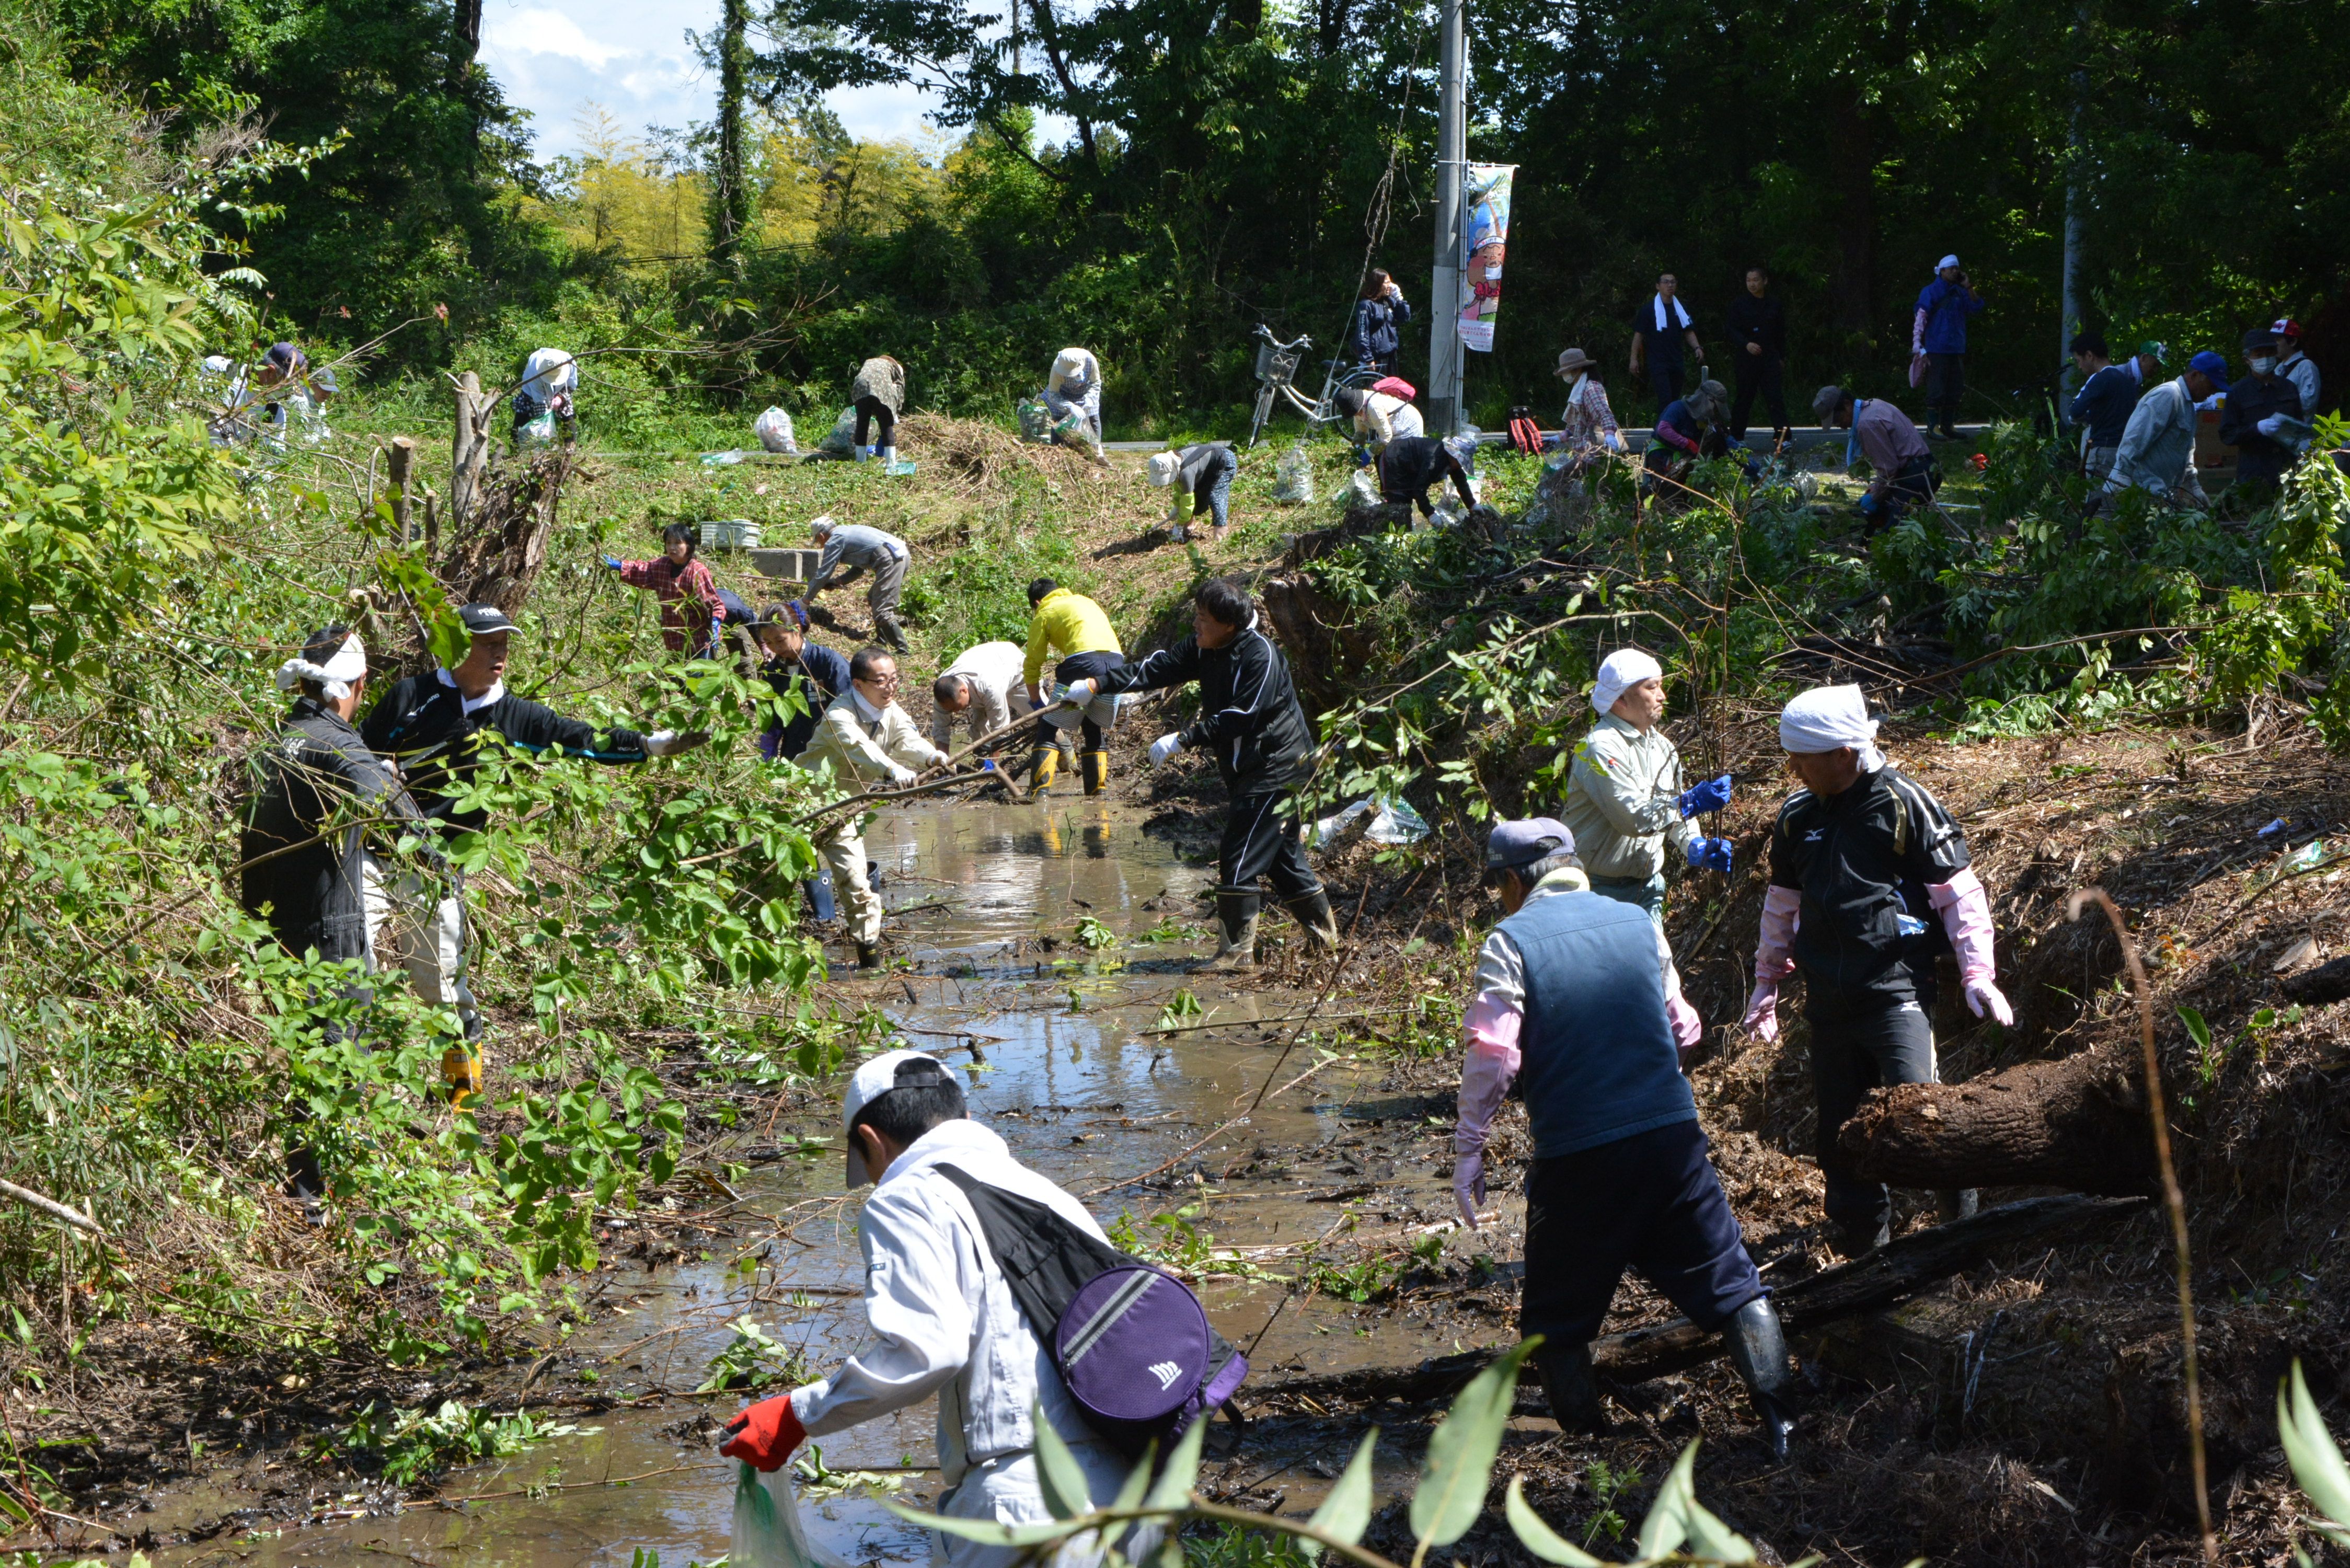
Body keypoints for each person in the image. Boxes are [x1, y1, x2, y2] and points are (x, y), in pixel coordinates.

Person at [718, 1051, 1159, 1567]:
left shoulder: (905, 1196)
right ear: (966, 1120)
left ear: (869, 1140)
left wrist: (796, 1415)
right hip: (1130, 1495)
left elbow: (928, 1350)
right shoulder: (1049, 1195)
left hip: (1026, 1505)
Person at [1451, 819, 1794, 1457]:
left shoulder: (1509, 940)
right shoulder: (1638, 921)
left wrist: (1469, 1144)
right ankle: (1782, 1426)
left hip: (1577, 1152)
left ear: (1510, 881)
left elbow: (1494, 1054)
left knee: (1554, 1324)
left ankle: (1593, 1452)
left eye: (1497, 886)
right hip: (1671, 1137)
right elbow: (1684, 1026)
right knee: (1731, 1285)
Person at [360, 604, 702, 1097]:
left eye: (504, 643)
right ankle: (357, 1084)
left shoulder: (515, 716)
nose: (499, 653)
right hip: (376, 852)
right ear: (460, 645)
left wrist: (649, 745)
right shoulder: (411, 696)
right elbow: (358, 752)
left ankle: (460, 1094)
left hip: (438, 865)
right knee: (354, 957)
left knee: (443, 981)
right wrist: (378, 770)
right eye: (487, 643)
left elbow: (580, 739)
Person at [1741, 686, 2011, 1256]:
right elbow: (1780, 905)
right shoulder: (1796, 817)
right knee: (1840, 1136)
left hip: (1895, 992)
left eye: (1801, 756)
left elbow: (1957, 895)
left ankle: (1955, 1241)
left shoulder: (1902, 803)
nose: (1790, 767)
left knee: (1925, 1118)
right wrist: (1765, 985)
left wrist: (1976, 974)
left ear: (1843, 752)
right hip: (1828, 1004)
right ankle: (1863, 1252)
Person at [241, 625, 437, 1196]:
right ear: (356, 684)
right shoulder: (339, 745)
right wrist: (439, 864)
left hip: (274, 925)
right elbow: (397, 813)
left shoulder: (274, 743)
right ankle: (315, 1196)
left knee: (308, 1055)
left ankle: (319, 1184)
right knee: (338, 1057)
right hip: (331, 928)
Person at [1086, 578, 1336, 968]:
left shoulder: (1259, 657)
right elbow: (1159, 668)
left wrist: (1183, 739)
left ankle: (1236, 956)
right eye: (1197, 616)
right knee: (1283, 861)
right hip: (1251, 771)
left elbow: (1241, 716)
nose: (1196, 626)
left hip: (1277, 768)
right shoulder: (1207, 647)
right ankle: (1326, 944)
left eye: (1204, 619)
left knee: (1238, 858)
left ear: (1229, 625)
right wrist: (1096, 684)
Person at [793, 647, 950, 968]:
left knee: (858, 886)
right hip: (803, 807)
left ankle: (869, 965)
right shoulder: (839, 714)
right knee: (779, 880)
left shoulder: (891, 711)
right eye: (881, 681)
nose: (890, 687)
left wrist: (933, 756)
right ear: (859, 685)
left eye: (894, 680)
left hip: (845, 813)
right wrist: (893, 771)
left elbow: (908, 739)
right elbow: (859, 748)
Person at [1562, 649, 1730, 940]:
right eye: (1652, 687)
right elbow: (1634, 818)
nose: (1662, 696)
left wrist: (1694, 843)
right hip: (1596, 891)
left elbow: (1673, 810)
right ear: (1620, 700)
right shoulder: (1599, 749)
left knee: (1653, 972)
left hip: (1648, 887)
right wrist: (1690, 802)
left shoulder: (1662, 747)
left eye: (1660, 686)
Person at [1020, 580, 1125, 796]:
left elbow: (1033, 663)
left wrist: (1037, 704)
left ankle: (1038, 797)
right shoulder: (1086, 601)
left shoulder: (1045, 611)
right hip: (1116, 663)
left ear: (1038, 602)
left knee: (1048, 730)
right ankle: (1097, 793)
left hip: (1082, 661)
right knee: (1092, 723)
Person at [2105, 351, 2229, 509]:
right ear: (2196, 375)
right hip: (2140, 489)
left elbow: (2186, 451)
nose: (2213, 392)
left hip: (2160, 491)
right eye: (2212, 385)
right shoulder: (2169, 395)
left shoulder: (2189, 406)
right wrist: (2122, 476)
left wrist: (2194, 487)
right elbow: (2136, 437)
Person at [1813, 385, 1935, 531]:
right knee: (1877, 520)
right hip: (1920, 470)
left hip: (1917, 476)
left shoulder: (1867, 425)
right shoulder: (1874, 405)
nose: (1840, 426)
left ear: (1847, 404)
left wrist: (1875, 496)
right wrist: (1876, 489)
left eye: (1837, 419)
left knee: (1893, 533)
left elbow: (1889, 469)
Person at [603, 523, 730, 656]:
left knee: (698, 677)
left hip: (699, 643)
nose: (672, 547)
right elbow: (642, 569)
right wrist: (619, 565)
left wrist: (715, 626)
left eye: (677, 543)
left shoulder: (697, 572)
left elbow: (715, 605)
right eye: (669, 543)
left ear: (688, 546)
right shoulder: (662, 566)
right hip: (673, 642)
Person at [752, 601, 853, 762]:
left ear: (796, 630)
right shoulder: (773, 673)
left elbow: (850, 709)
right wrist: (767, 759)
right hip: (795, 758)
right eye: (768, 643)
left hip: (833, 754)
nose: (776, 649)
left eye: (780, 640)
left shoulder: (828, 663)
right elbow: (772, 723)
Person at [2218, 327, 2307, 495]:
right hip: (2253, 474)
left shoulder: (2288, 388)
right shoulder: (2238, 392)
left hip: (2286, 471)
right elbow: (2228, 434)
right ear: (2247, 360)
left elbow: (2300, 427)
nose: (2265, 359)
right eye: (2259, 355)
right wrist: (2256, 429)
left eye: (2269, 353)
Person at [2065, 334, 2163, 481]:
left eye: (2079, 361)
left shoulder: (2100, 379)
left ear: (2089, 355)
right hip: (2122, 451)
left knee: (2096, 500)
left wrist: (2088, 417)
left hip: (2101, 451)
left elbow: (2075, 412)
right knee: (2113, 499)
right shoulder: (2128, 382)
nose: (2079, 366)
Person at [805, 515, 912, 652]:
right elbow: (859, 569)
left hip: (890, 559)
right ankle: (881, 640)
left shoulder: (835, 540)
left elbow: (824, 573)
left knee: (882, 610)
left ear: (821, 535)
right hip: (902, 555)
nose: (821, 546)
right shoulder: (848, 531)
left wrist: (806, 599)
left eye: (819, 541)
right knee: (874, 598)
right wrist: (836, 582)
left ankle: (903, 650)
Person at [1912, 256, 1985, 440]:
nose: (1955, 271)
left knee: (1955, 389)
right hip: (1937, 348)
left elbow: (1976, 307)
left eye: (1957, 268)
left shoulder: (1960, 293)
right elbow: (1921, 316)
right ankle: (1932, 428)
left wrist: (1969, 287)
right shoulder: (1931, 291)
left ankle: (1947, 426)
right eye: (1951, 268)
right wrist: (1918, 344)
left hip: (1957, 348)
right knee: (1936, 388)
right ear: (1942, 271)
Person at [930, 640, 1033, 754]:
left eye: (956, 707)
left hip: (1015, 668)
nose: (955, 712)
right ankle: (982, 761)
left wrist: (995, 768)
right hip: (983, 672)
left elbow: (1000, 730)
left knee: (1043, 721)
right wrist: (943, 764)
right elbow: (941, 731)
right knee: (979, 730)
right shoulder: (942, 694)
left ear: (963, 691)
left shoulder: (990, 688)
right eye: (950, 710)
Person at [1724, 266, 1789, 445]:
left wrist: (1781, 357)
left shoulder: (1774, 304)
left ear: (1765, 281)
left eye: (1756, 280)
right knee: (1744, 398)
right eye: (1749, 280)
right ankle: (1737, 437)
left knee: (1775, 398)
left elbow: (1780, 333)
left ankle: (1783, 439)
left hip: (1770, 358)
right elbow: (1731, 329)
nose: (1752, 284)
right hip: (1747, 358)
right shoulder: (1739, 304)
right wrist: (1746, 344)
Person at [1629, 273, 1702, 409]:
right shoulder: (1648, 309)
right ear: (1658, 286)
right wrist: (1633, 359)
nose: (1670, 285)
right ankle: (1662, 429)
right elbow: (1639, 335)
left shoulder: (1681, 309)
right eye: (1666, 282)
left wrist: (1697, 348)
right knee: (1665, 397)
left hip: (1677, 359)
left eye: (1673, 282)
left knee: (1674, 399)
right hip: (1658, 361)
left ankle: (1667, 427)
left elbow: (1688, 331)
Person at [1145, 442, 1237, 543]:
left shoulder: (1186, 473)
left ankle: (1220, 538)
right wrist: (1177, 507)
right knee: (1195, 494)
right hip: (1207, 464)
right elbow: (1181, 491)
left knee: (1216, 497)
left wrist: (1179, 525)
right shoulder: (1175, 462)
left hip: (1224, 460)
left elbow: (1187, 502)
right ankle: (1187, 530)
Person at [1552, 348, 1626, 469]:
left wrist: (1609, 435)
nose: (1565, 375)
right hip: (1583, 453)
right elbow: (1580, 422)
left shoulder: (1591, 388)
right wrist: (1559, 437)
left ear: (1577, 369)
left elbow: (1603, 413)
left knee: (1554, 483)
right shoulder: (1580, 387)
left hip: (1592, 454)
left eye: (1566, 371)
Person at [1376, 433, 1478, 518]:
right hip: (1394, 459)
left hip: (1409, 464)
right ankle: (1388, 533)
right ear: (1453, 455)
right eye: (1460, 461)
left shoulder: (1452, 462)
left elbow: (1461, 482)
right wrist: (1430, 514)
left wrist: (1472, 504)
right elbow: (1419, 489)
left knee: (1405, 502)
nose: (1461, 465)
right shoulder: (1433, 461)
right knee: (1399, 503)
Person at [1041, 347, 1105, 456]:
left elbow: (1096, 383)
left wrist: (1090, 398)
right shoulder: (1057, 368)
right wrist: (1070, 406)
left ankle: (1095, 453)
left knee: (1093, 420)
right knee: (1059, 422)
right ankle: (1058, 453)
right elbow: (1053, 394)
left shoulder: (1090, 360)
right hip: (1063, 395)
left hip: (1086, 393)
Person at [1349, 269, 1412, 377]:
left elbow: (1404, 318)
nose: (1390, 286)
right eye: (1386, 282)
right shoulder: (1366, 305)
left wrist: (1399, 298)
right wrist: (1368, 359)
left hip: (1391, 355)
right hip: (1376, 358)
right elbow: (1363, 333)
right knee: (1375, 392)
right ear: (1377, 284)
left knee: (1391, 392)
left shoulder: (1388, 301)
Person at [1330, 384, 1424, 455]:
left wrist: (1369, 454)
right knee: (1387, 456)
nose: (1355, 415)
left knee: (1400, 457)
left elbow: (1386, 436)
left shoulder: (1373, 407)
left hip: (1408, 424)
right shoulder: (1358, 409)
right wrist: (1358, 448)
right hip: (1394, 428)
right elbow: (1361, 431)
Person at [511, 348, 578, 443]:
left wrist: (561, 397)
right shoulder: (534, 370)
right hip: (532, 393)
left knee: (568, 419)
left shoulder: (570, 362)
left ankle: (569, 450)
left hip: (560, 391)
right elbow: (539, 401)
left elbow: (572, 385)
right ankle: (516, 450)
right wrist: (545, 425)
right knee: (521, 420)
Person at [850, 355, 905, 466]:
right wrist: (895, 412)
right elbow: (899, 391)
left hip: (860, 387)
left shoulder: (870, 361)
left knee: (862, 424)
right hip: (880, 388)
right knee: (886, 426)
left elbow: (865, 378)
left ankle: (860, 462)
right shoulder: (895, 370)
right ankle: (891, 464)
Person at [2273, 319, 2321, 419]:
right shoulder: (2278, 369)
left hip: (2300, 431)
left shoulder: (2306, 366)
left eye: (2277, 339)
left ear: (2293, 341)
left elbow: (2309, 402)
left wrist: (2276, 403)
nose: (2273, 344)